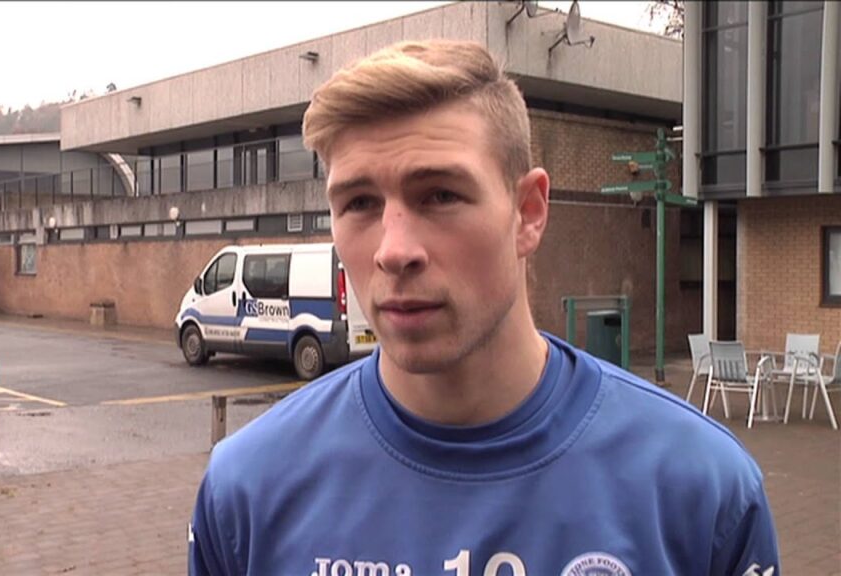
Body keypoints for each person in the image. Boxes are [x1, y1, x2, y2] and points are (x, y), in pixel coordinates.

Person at [189, 39, 779, 576]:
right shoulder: (247, 491)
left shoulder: (699, 491)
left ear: (528, 212)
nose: (394, 251)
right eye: (360, 202)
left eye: (441, 195)